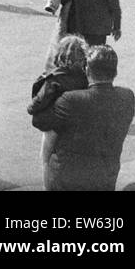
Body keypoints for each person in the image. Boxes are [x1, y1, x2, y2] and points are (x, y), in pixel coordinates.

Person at [31, 44, 135, 191]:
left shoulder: (70, 100)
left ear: (87, 70)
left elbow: (40, 125)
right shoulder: (127, 97)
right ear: (115, 72)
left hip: (66, 180)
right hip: (105, 177)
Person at [28, 34, 89, 169]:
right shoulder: (85, 78)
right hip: (79, 123)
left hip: (55, 123)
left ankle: (47, 181)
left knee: (46, 156)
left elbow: (41, 100)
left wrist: (30, 108)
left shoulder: (55, 79)